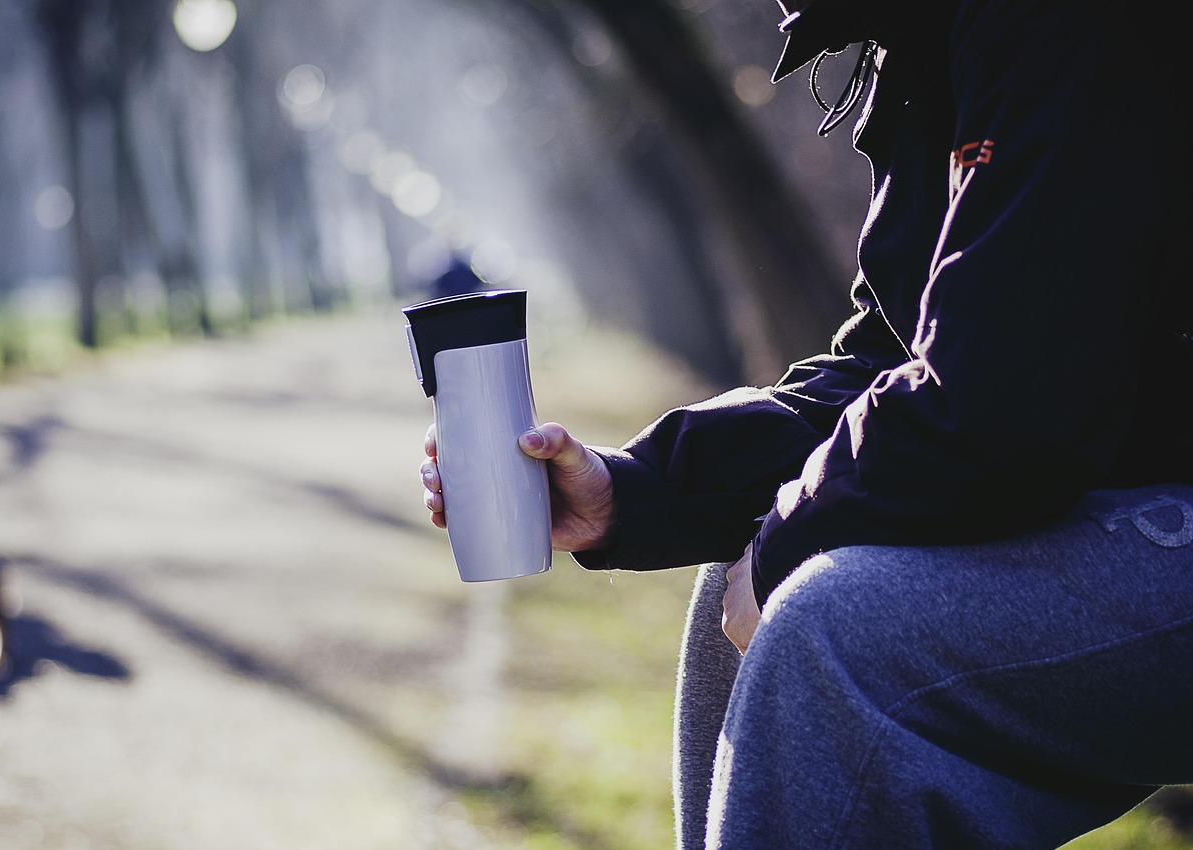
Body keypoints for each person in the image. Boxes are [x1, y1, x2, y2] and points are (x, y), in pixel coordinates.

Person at [419, 0, 1192, 846]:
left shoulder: (1061, 26)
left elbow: (1008, 404)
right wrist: (635, 491)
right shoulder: (925, 47)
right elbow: (890, 366)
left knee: (832, 631)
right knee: (749, 585)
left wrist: (793, 533)